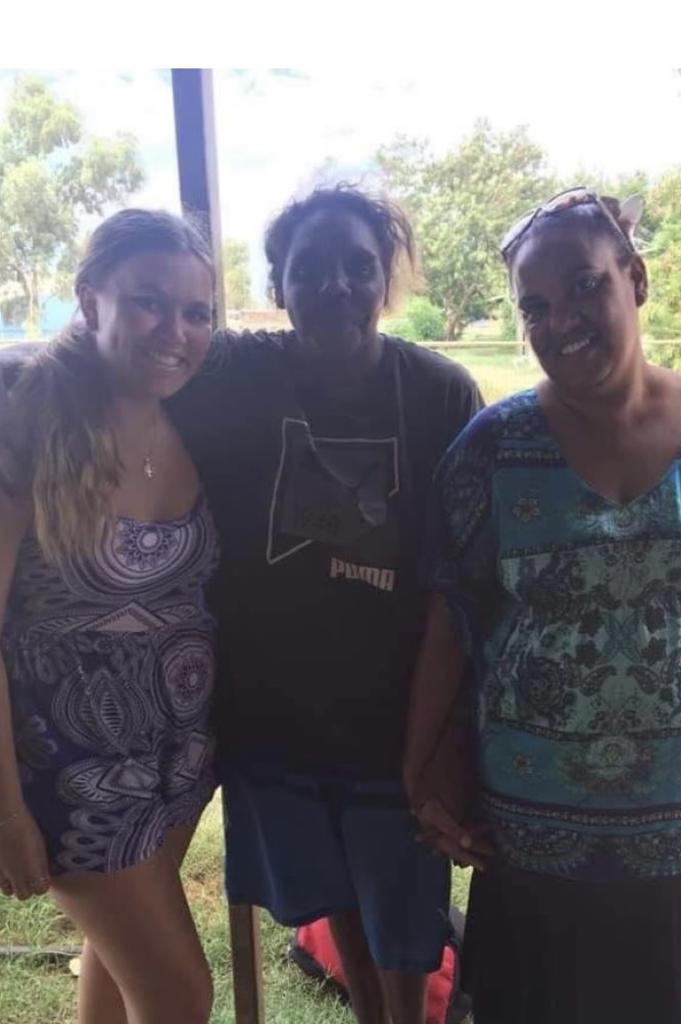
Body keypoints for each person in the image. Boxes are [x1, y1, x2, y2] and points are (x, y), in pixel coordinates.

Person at [404, 188, 681, 1024]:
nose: (559, 319)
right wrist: (421, 773)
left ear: (634, 279)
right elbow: (448, 624)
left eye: (584, 286)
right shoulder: (492, 449)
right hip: (529, 836)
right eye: (535, 306)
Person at [168, 185, 483, 1024]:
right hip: (277, 726)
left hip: (399, 731)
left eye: (358, 265)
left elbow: (466, 581)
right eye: (310, 268)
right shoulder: (235, 372)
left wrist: (448, 736)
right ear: (278, 283)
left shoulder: (440, 393)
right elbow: (121, 357)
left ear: (387, 280)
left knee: (410, 933)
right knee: (340, 907)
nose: (335, 284)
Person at [0, 209, 218, 1024]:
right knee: (177, 995)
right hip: (70, 777)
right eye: (149, 302)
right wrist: (5, 809)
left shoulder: (189, 416)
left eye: (196, 312)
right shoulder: (25, 412)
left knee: (118, 971)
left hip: (179, 762)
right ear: (90, 299)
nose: (176, 330)